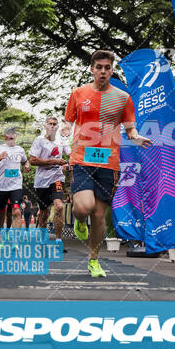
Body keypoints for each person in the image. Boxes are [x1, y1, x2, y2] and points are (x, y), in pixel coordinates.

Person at [63, 49, 152, 278]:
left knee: (100, 216)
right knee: (83, 207)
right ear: (92, 69)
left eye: (107, 67)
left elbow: (130, 129)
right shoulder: (78, 93)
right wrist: (64, 131)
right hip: (82, 158)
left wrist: (136, 137)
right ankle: (79, 221)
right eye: (99, 67)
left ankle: (93, 261)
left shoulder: (123, 98)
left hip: (109, 162)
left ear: (112, 70)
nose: (103, 71)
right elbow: (68, 121)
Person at [29, 117, 71, 252]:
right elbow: (33, 161)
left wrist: (68, 164)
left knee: (59, 206)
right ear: (45, 126)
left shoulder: (62, 141)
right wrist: (53, 161)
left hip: (57, 179)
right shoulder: (39, 140)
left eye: (54, 124)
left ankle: (58, 241)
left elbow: (72, 156)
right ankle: (42, 239)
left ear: (58, 127)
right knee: (44, 212)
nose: (52, 126)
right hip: (41, 181)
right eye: (50, 124)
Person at [0, 127, 30, 232]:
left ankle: (15, 241)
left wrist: (26, 166)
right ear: (5, 137)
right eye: (9, 134)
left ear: (16, 136)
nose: (11, 136)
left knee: (16, 211)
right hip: (1, 186)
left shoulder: (20, 150)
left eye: (13, 134)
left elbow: (25, 161)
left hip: (16, 186)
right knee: (0, 214)